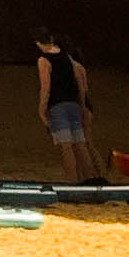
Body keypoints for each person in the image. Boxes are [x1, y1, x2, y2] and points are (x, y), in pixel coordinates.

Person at [37, 31, 100, 183]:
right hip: (74, 104)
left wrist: (41, 110)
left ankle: (72, 182)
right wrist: (83, 105)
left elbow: (46, 87)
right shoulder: (68, 58)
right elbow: (80, 84)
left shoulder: (44, 60)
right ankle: (91, 179)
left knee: (66, 147)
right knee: (80, 144)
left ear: (39, 43)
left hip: (58, 106)